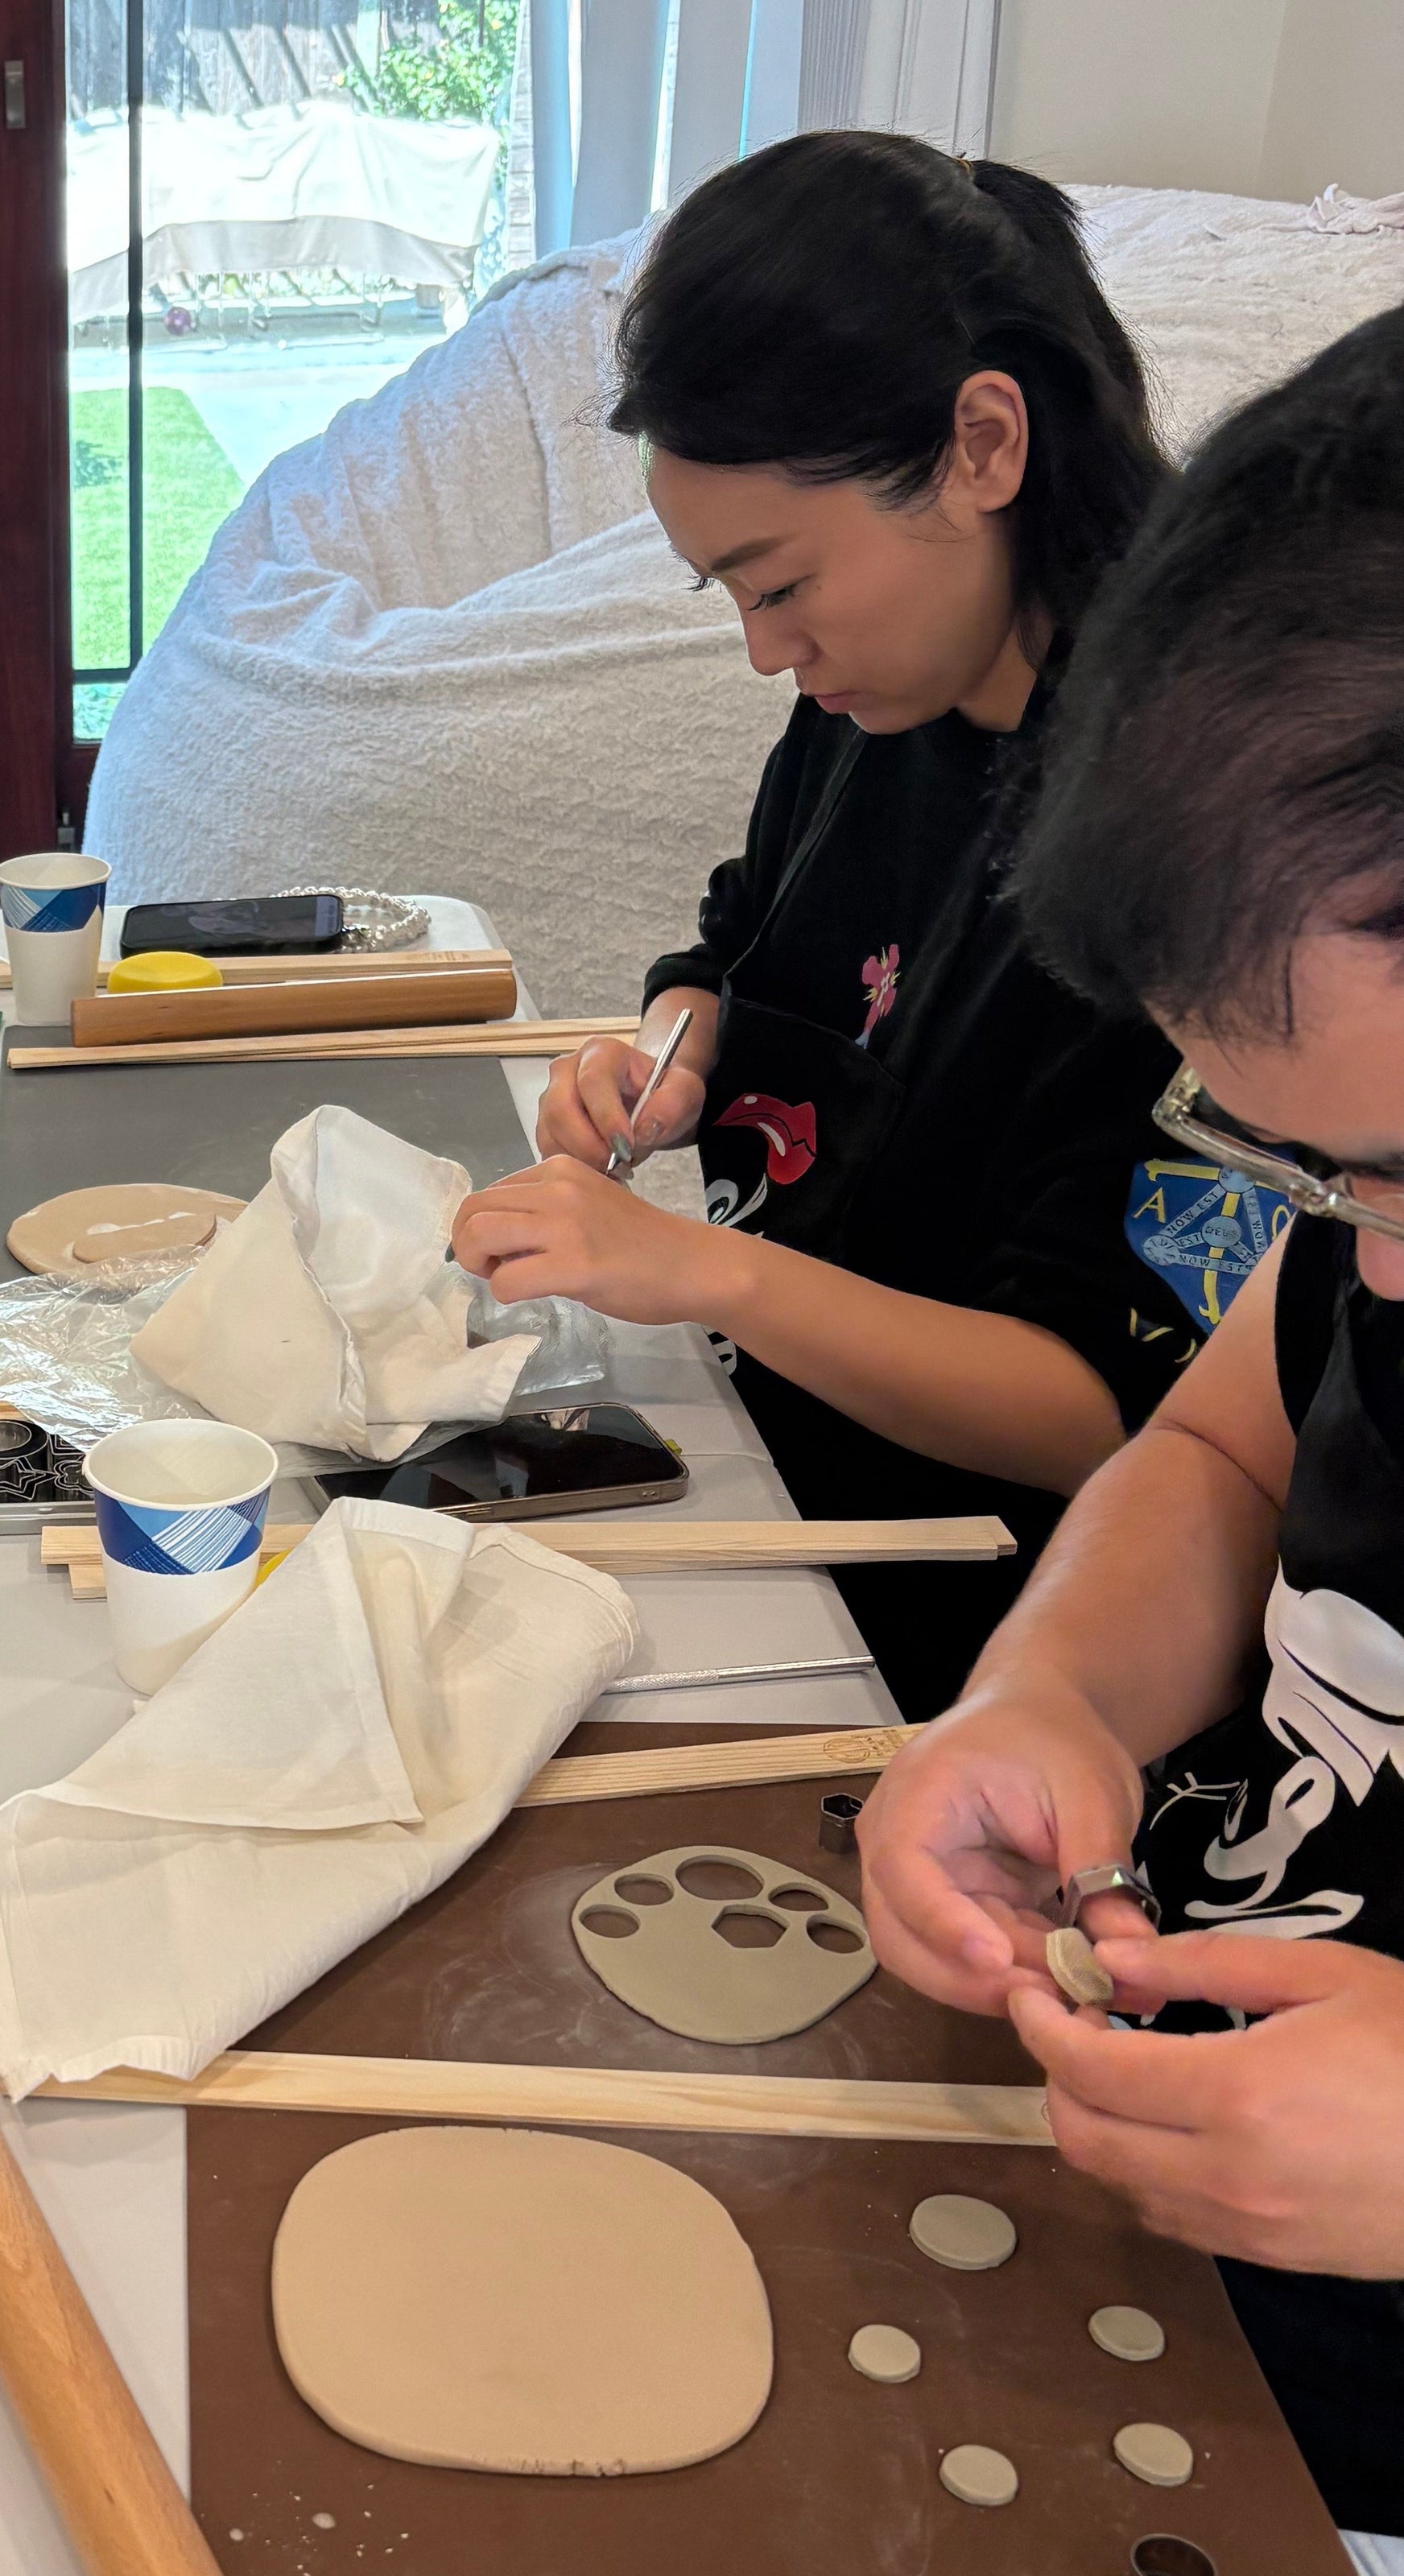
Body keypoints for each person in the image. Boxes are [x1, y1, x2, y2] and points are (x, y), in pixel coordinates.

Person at [450, 133, 1234, 1718]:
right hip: (756, 1462)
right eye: (725, 596)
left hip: (976, 1624)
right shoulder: (880, 699)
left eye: (781, 582)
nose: (764, 652)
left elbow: (1104, 1403)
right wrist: (675, 1054)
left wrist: (700, 1273)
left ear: (982, 445)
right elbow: (741, 946)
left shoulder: (1194, 821)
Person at [857, 305, 1404, 2566]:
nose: (1382, 1264)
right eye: (1332, 1182)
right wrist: (1050, 1694)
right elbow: (1216, 1455)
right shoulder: (1371, 1243)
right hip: (1176, 2319)